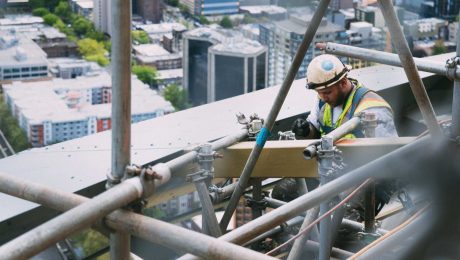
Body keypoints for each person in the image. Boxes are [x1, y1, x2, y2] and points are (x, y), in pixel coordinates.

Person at [291, 54, 398, 139]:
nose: (323, 97)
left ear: (343, 83)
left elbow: (386, 153)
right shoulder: (322, 100)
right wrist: (305, 131)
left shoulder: (373, 108)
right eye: (319, 92)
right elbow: (315, 131)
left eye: (327, 92)